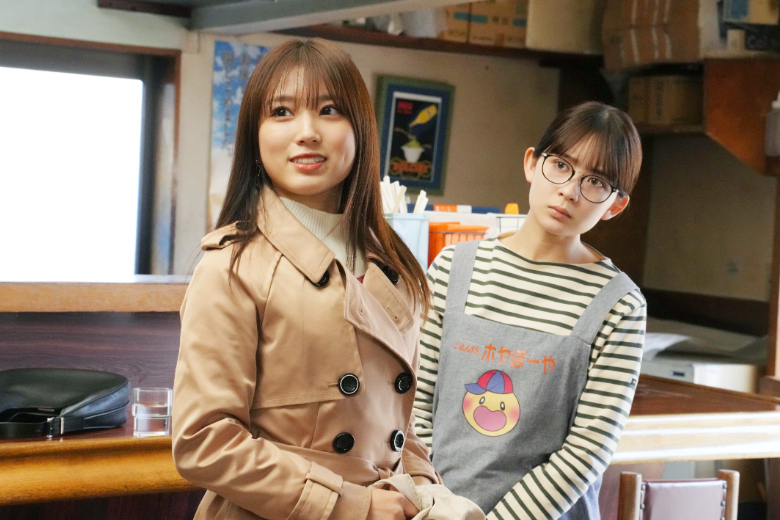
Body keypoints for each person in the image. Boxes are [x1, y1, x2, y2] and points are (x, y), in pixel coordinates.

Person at [172, 38, 439, 520]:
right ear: (254, 135)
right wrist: (353, 505)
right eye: (282, 112)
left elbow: (395, 428)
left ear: (360, 129)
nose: (307, 132)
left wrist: (425, 489)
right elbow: (204, 441)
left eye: (329, 110)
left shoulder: (393, 266)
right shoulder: (232, 266)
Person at [413, 102, 646, 519]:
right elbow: (414, 402)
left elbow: (587, 451)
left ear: (615, 205)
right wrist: (435, 505)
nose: (570, 190)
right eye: (561, 165)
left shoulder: (620, 305)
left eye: (595, 182)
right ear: (532, 164)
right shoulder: (452, 267)